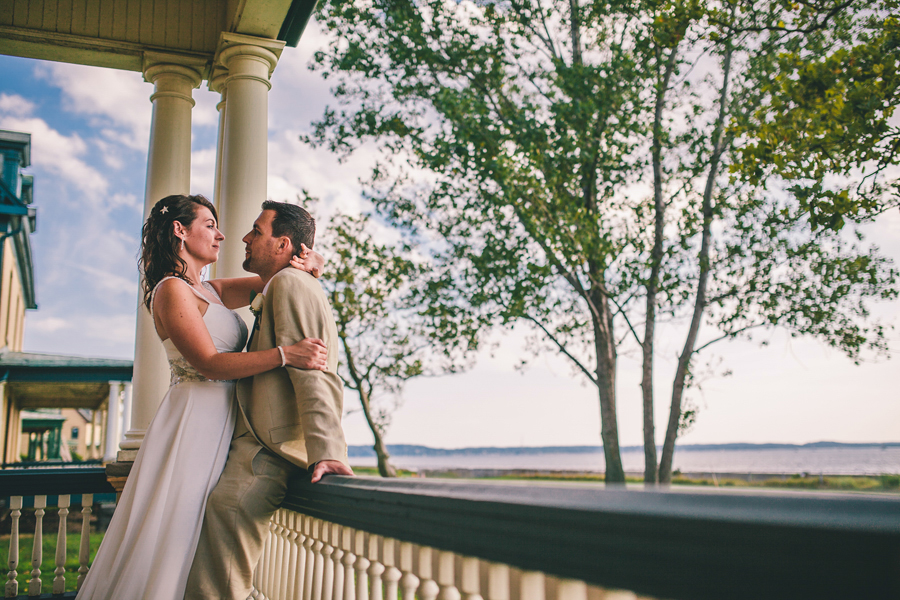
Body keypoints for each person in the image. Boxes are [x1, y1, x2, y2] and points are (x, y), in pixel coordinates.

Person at [76, 194, 329, 600]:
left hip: (227, 421)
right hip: (194, 422)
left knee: (201, 529)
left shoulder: (211, 290)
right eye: (210, 225)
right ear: (180, 230)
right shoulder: (170, 291)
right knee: (177, 525)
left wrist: (312, 261)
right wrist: (286, 355)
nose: (222, 235)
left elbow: (277, 276)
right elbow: (209, 363)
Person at [185, 201, 353, 600]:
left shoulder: (291, 283)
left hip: (267, 450)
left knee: (222, 558)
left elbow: (314, 370)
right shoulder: (279, 283)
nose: (244, 238)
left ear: (283, 244)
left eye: (257, 232)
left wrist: (328, 451)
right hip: (247, 439)